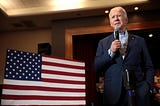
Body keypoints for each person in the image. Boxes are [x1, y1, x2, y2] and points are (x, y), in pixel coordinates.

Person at [94, 6, 155, 106]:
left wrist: (148, 87)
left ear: (126, 20)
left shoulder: (140, 41)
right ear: (110, 22)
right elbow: (96, 67)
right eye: (113, 17)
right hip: (112, 94)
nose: (116, 18)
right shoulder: (103, 43)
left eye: (119, 16)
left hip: (138, 93)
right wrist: (111, 52)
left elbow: (149, 67)